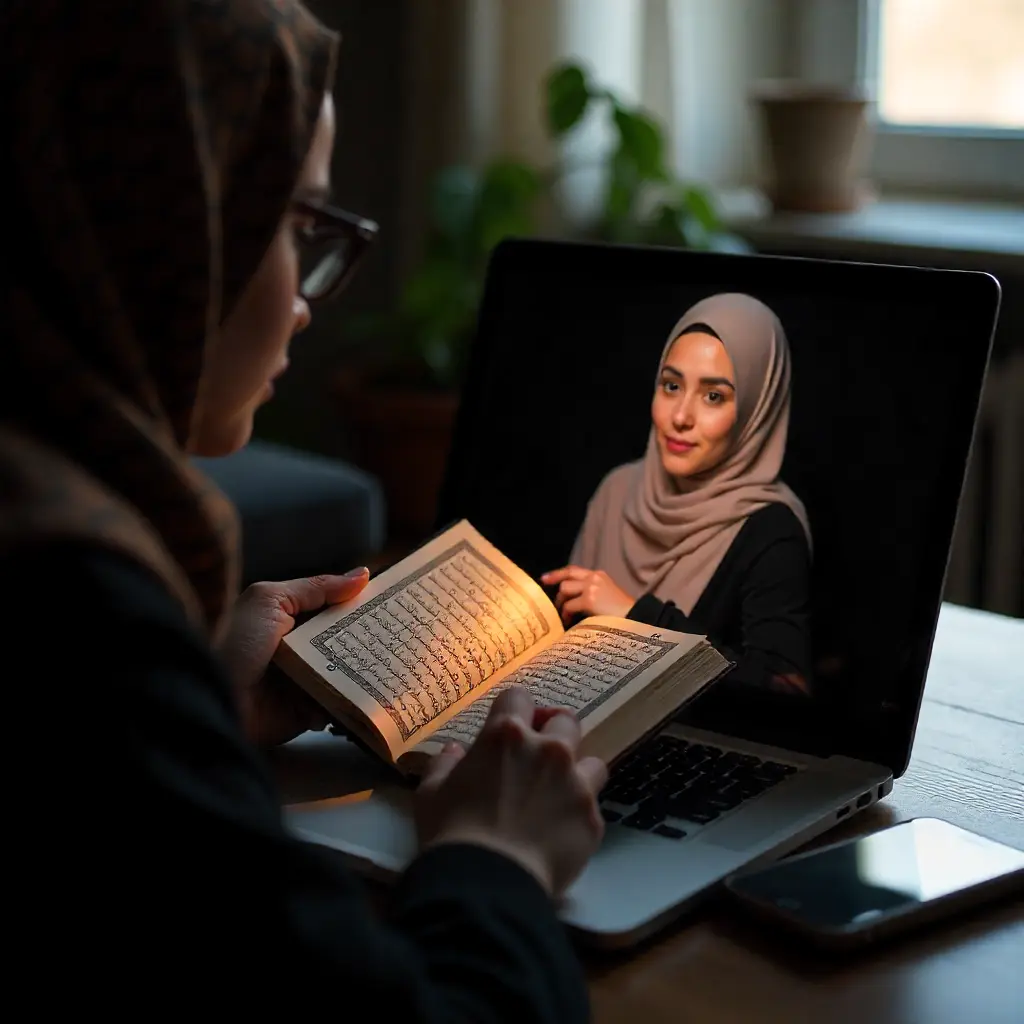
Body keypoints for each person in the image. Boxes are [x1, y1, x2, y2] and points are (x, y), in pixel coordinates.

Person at [0, 0, 606, 1012]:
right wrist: (495, 856)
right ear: (162, 223)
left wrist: (199, 711)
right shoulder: (68, 607)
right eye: (296, 224)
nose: (307, 299)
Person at [542, 293, 814, 696]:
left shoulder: (772, 529)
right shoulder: (617, 489)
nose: (681, 416)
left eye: (713, 396)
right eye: (671, 386)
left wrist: (637, 617)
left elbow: (786, 693)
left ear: (757, 408)